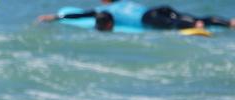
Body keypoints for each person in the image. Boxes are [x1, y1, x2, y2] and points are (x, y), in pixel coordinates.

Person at [38, 0, 235, 31]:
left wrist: (56, 18)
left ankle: (194, 26)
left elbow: (83, 15)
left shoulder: (105, 10)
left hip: (148, 19)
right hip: (158, 9)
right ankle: (228, 23)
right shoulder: (124, 2)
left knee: (173, 24)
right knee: (192, 17)